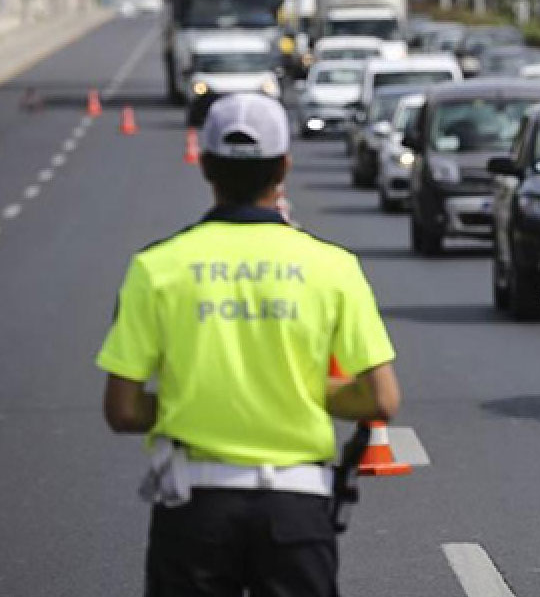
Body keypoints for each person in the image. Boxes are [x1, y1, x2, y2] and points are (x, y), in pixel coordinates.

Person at [97, 92, 401, 597]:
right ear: (283, 166)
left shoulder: (156, 268)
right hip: (296, 510)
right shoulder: (333, 267)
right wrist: (299, 391)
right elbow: (382, 399)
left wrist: (196, 401)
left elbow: (122, 409)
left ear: (207, 166)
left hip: (194, 508)